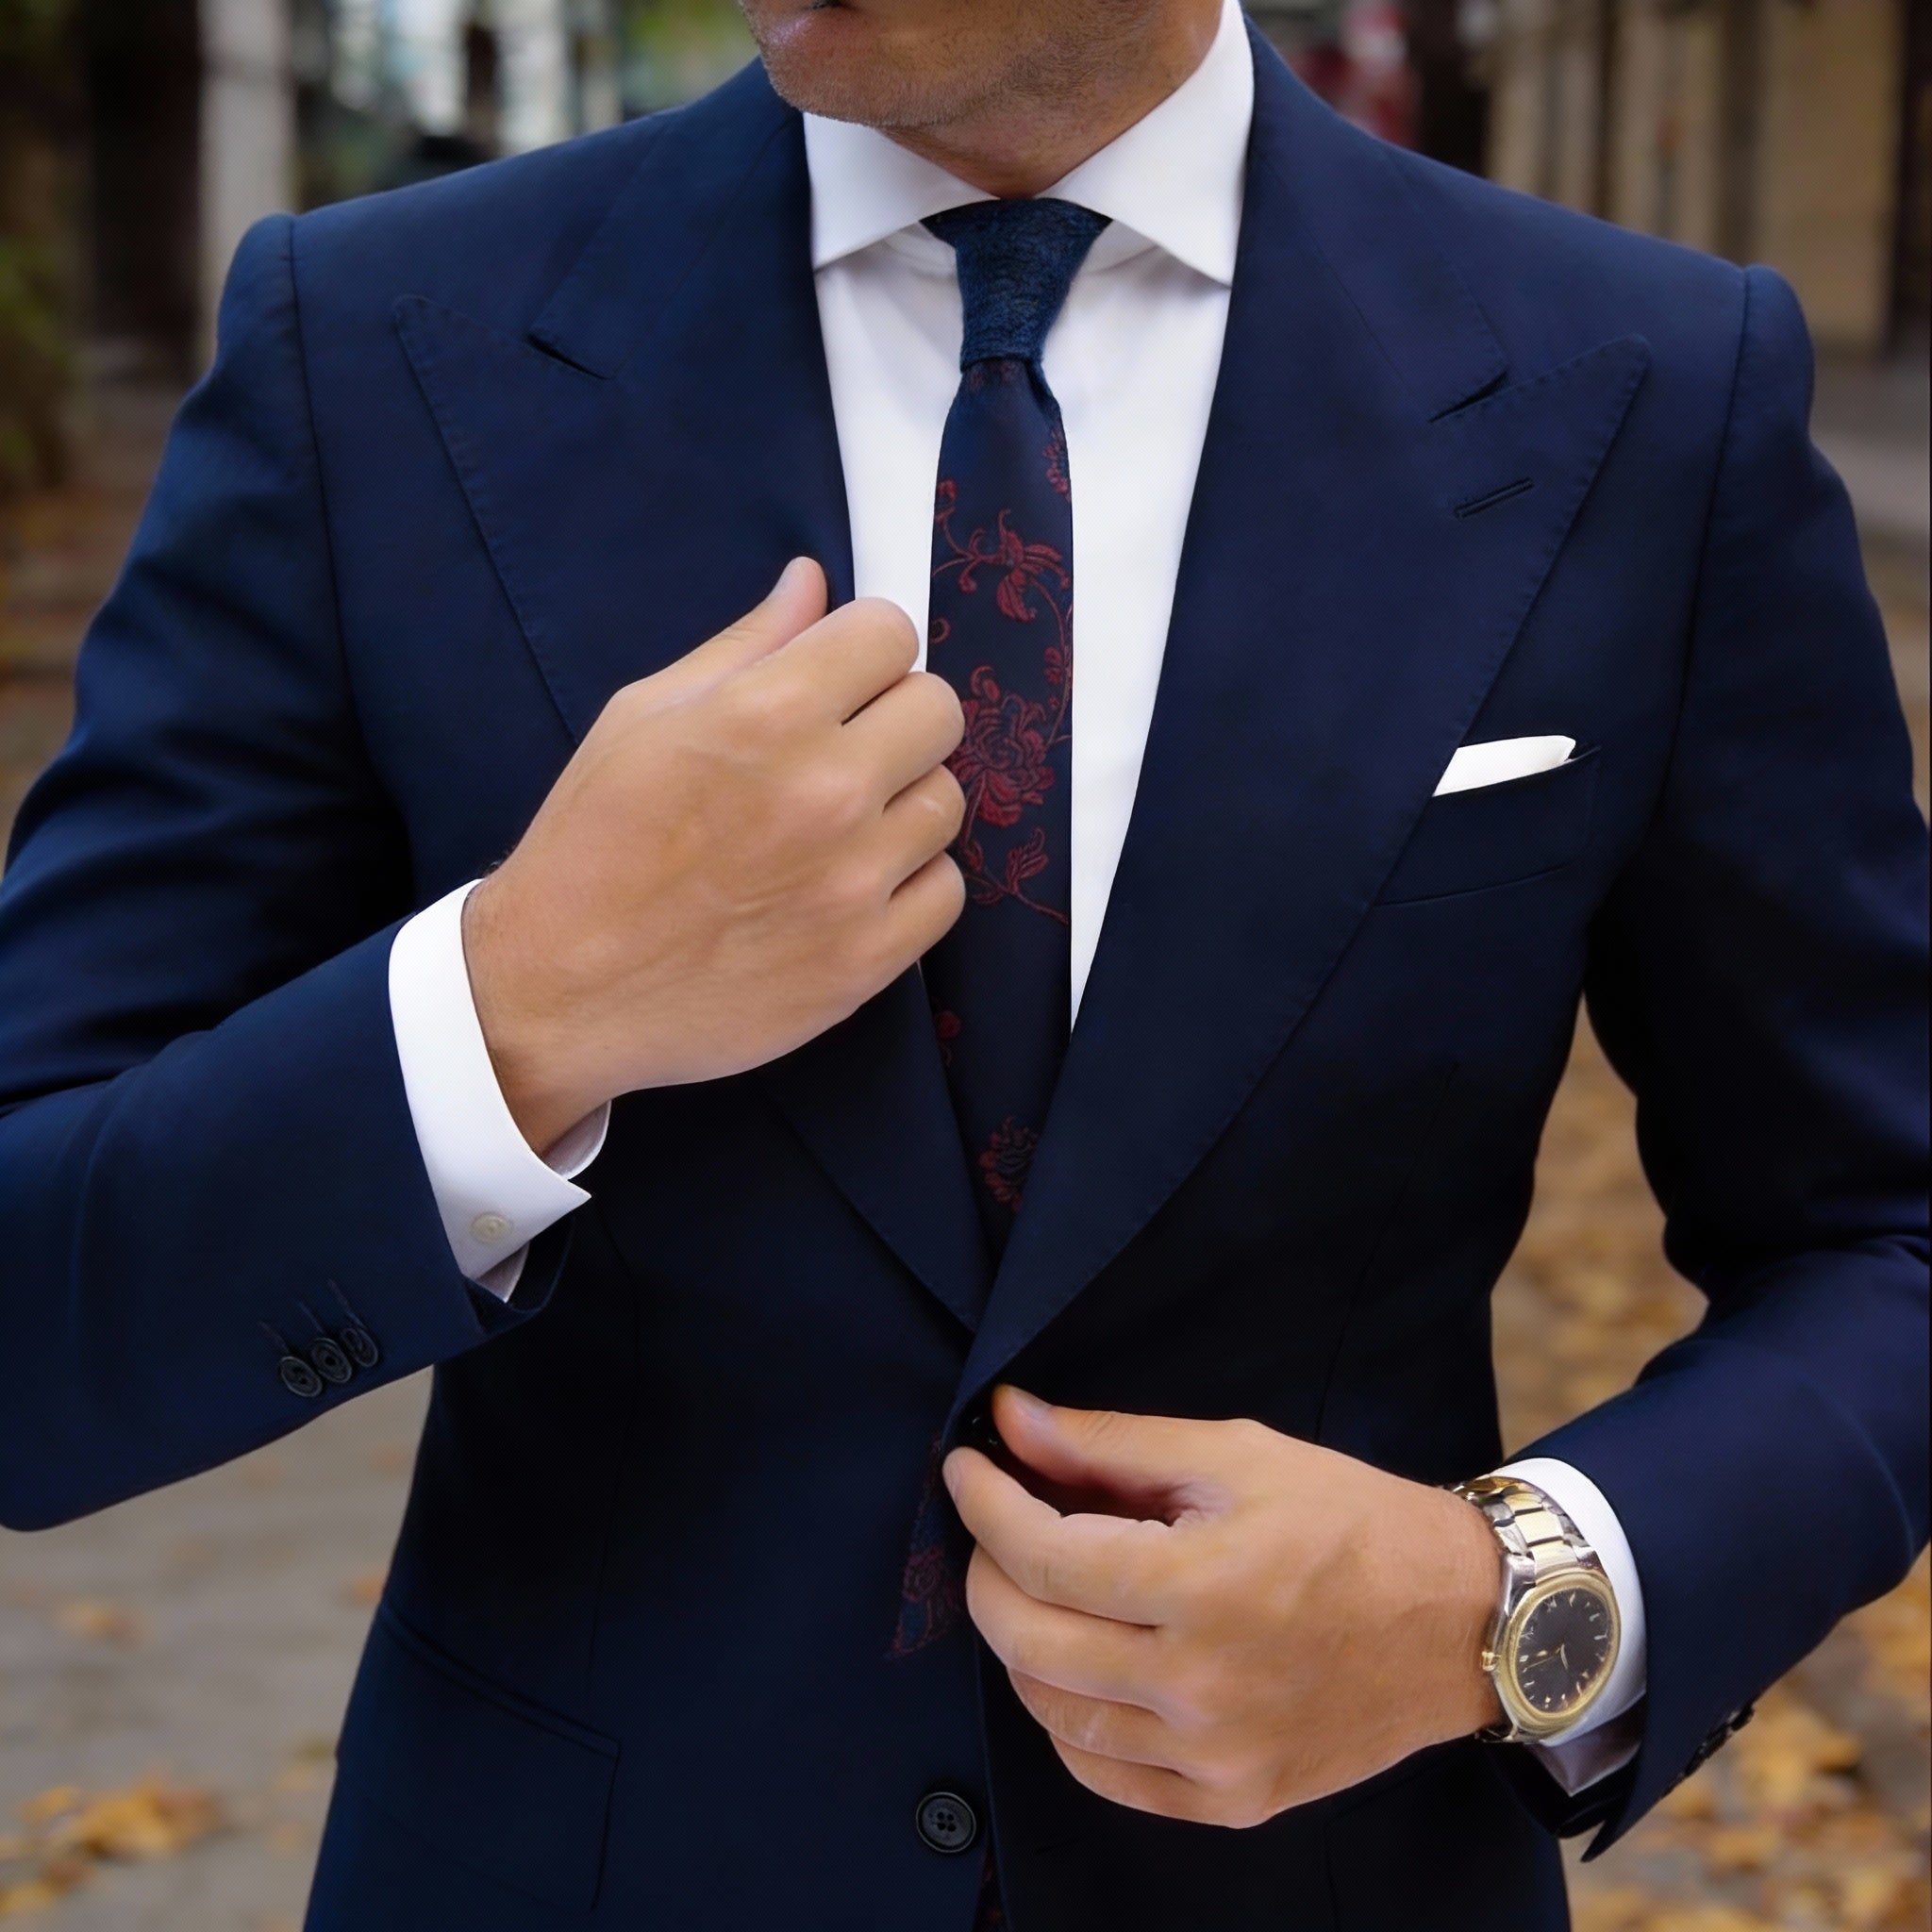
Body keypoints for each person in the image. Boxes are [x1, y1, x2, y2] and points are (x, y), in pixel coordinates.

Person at [0, 0, 1924, 1925]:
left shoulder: (1650, 386)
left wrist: (1500, 1599)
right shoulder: (375, 343)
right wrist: (513, 1007)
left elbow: (1883, 1231)